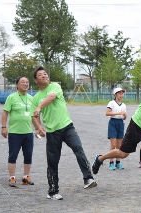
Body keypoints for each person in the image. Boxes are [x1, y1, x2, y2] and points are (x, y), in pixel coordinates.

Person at [31, 66, 97, 201]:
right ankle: (53, 191)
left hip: (67, 127)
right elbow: (34, 116)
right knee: (53, 162)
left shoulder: (54, 86)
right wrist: (38, 127)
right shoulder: (36, 98)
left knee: (78, 148)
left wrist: (39, 107)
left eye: (45, 73)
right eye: (40, 75)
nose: (44, 76)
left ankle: (88, 178)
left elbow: (51, 97)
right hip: (52, 132)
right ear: (36, 80)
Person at [1, 76, 34, 187]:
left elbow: (34, 115)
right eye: (22, 82)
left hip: (28, 132)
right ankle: (12, 178)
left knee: (28, 155)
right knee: (13, 155)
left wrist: (38, 128)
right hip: (15, 132)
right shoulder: (12, 97)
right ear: (17, 85)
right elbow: (5, 112)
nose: (25, 84)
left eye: (27, 82)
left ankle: (26, 177)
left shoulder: (31, 98)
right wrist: (3, 127)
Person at [106, 87, 127, 170]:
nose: (121, 95)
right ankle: (111, 163)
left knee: (119, 145)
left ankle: (118, 162)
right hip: (113, 123)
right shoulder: (111, 103)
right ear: (115, 94)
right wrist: (118, 113)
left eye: (122, 93)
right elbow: (107, 113)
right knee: (113, 145)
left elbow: (124, 118)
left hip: (120, 123)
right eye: (119, 93)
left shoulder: (124, 105)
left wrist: (125, 116)